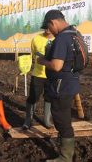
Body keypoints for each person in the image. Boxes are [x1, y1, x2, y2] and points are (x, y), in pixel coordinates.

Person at [37, 10, 80, 162]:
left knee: (62, 121)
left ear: (53, 22)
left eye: (49, 27)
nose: (49, 31)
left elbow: (56, 66)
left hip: (61, 87)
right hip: (72, 82)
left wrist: (42, 61)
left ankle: (65, 157)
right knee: (65, 119)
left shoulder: (62, 38)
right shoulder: (75, 33)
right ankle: (67, 152)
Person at [22, 28, 54, 130]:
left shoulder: (58, 39)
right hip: (38, 74)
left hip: (53, 75)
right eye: (46, 25)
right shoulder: (36, 39)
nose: (48, 28)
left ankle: (46, 120)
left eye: (50, 26)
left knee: (49, 97)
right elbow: (33, 53)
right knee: (33, 97)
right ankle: (28, 120)